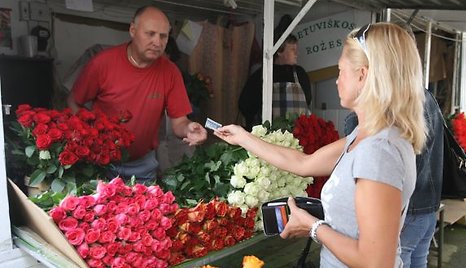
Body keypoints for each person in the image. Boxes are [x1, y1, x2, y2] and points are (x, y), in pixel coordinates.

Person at [215, 22, 426, 267]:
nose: (336, 81)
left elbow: (376, 261)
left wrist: (313, 227)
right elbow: (304, 163)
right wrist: (243, 137)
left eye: (340, 71)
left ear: (363, 75)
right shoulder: (366, 136)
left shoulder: (378, 151)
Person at [343, 22, 444, 268]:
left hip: (406, 215)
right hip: (427, 208)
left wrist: (315, 228)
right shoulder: (425, 97)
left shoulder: (384, 116)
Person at [67, 5, 207, 181]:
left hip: (143, 165)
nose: (157, 42)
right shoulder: (102, 64)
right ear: (133, 30)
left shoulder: (170, 72)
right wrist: (89, 134)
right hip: (100, 163)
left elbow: (179, 121)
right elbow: (74, 101)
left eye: (163, 36)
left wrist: (189, 129)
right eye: (150, 34)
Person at [238, 31, 311, 130]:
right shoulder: (262, 75)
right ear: (279, 51)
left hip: (298, 137)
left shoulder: (300, 74)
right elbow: (245, 105)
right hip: (269, 138)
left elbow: (307, 101)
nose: (296, 53)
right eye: (292, 49)